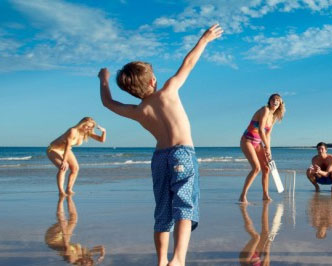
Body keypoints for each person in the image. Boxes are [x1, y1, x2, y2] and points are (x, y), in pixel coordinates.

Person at [99, 24, 223, 266]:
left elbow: (108, 103)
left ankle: (161, 260)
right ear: (153, 80)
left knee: (163, 211)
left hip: (159, 159)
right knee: (185, 206)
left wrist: (104, 79)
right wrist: (205, 39)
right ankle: (178, 259)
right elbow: (189, 63)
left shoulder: (138, 111)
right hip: (182, 155)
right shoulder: (169, 91)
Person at [238, 93, 285, 203]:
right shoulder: (265, 110)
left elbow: (268, 135)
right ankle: (243, 195)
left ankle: (265, 195)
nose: (275, 101)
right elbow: (260, 130)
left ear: (280, 103)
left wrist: (269, 150)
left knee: (266, 168)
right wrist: (266, 147)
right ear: (269, 101)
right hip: (247, 141)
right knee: (256, 168)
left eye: (278, 100)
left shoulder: (273, 117)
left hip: (258, 143)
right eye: (273, 99)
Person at [46, 117, 106, 196]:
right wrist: (64, 161)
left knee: (75, 168)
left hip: (65, 150)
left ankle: (69, 189)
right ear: (82, 124)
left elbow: (101, 140)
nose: (88, 128)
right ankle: (61, 192)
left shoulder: (86, 132)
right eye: (87, 126)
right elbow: (67, 145)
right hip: (54, 149)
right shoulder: (73, 131)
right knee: (63, 167)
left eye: (91, 127)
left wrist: (104, 131)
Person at [45, 195, 106, 265]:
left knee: (63, 221)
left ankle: (61, 199)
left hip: (53, 239)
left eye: (86, 264)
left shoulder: (71, 259)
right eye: (90, 263)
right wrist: (102, 255)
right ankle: (69, 197)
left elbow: (66, 242)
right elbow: (100, 247)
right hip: (61, 238)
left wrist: (65, 230)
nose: (87, 262)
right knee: (74, 218)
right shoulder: (83, 256)